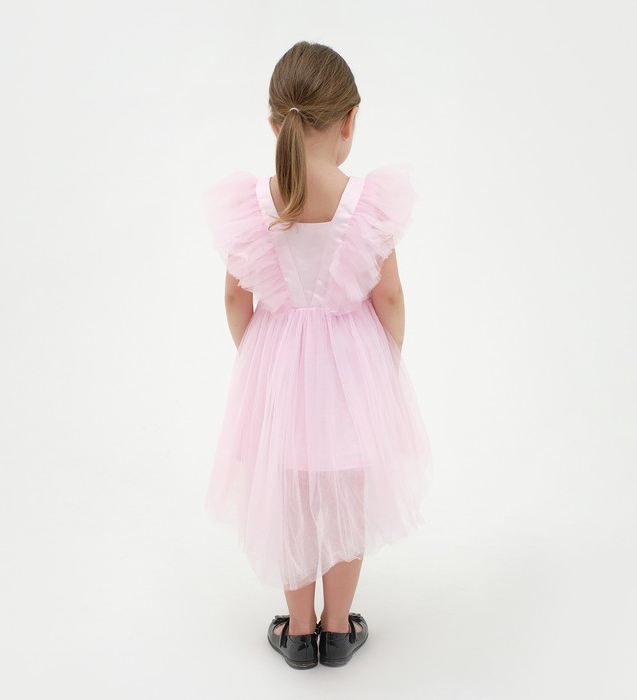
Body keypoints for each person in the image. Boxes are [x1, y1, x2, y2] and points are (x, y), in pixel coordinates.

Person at [203, 40, 433, 669]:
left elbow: (234, 298)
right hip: (352, 370)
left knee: (290, 494)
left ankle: (298, 632)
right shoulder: (366, 204)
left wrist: (258, 356)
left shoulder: (254, 205)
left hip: (278, 368)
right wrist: (384, 362)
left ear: (274, 124)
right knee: (346, 493)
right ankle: (338, 629)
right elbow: (389, 296)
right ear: (349, 121)